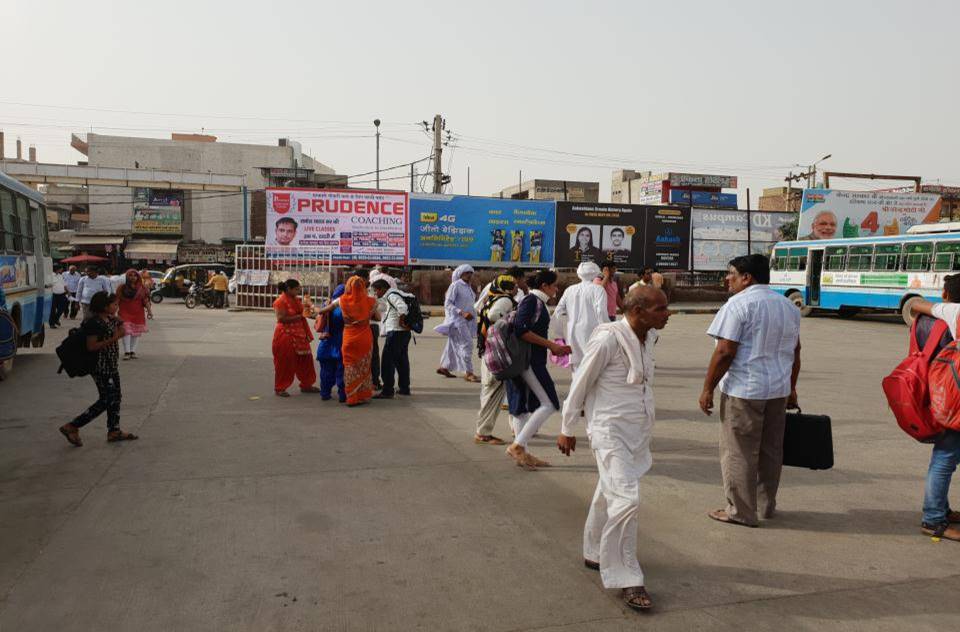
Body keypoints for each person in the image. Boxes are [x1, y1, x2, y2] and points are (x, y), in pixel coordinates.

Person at [557, 286, 671, 612]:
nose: (667, 314)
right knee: (627, 499)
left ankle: (594, 551)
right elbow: (581, 383)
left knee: (608, 492)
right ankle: (626, 576)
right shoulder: (607, 338)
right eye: (660, 309)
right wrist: (567, 428)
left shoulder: (648, 338)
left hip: (637, 430)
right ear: (637, 311)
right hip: (609, 431)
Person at [699, 254, 801, 528]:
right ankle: (766, 506)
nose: (727, 278)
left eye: (731, 273)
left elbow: (724, 351)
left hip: (745, 390)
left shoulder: (738, 305)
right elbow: (796, 350)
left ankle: (741, 511)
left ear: (747, 278)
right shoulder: (787, 306)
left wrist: (707, 388)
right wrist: (791, 387)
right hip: (777, 390)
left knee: (739, 451)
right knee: (770, 450)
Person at [909, 275, 960, 542]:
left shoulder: (953, 311)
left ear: (945, 295)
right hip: (955, 401)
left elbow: (916, 304)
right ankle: (933, 518)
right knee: (945, 457)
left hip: (947, 397)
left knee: (946, 457)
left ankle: (938, 511)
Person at [505, 270, 572, 469]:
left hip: (527, 360)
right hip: (529, 361)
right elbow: (521, 329)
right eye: (554, 285)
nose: (556, 289)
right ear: (544, 285)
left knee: (522, 408)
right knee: (550, 403)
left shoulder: (536, 301)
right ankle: (517, 446)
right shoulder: (532, 301)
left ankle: (523, 453)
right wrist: (551, 345)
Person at [58, 291, 139, 447]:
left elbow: (121, 328)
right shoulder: (94, 323)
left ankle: (114, 430)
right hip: (100, 367)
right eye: (114, 304)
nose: (117, 307)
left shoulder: (108, 318)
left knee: (116, 397)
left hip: (111, 365)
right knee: (106, 399)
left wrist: (118, 323)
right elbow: (92, 346)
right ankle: (73, 426)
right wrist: (115, 337)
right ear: (104, 306)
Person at [474, 275, 519, 445]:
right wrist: (507, 324)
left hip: (487, 349)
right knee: (493, 390)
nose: (516, 289)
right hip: (496, 351)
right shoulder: (505, 300)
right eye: (514, 286)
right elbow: (494, 315)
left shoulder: (491, 298)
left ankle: (483, 430)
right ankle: (483, 432)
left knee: (488, 390)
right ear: (507, 288)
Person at [553, 261, 608, 372]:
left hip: (572, 333)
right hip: (593, 332)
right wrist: (607, 330)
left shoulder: (570, 290)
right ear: (595, 273)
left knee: (576, 368)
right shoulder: (598, 290)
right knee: (593, 368)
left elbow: (557, 312)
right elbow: (601, 312)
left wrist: (559, 335)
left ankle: (576, 389)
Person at [336, 276, 379, 406]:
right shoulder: (371, 301)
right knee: (364, 367)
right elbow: (378, 317)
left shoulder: (342, 300)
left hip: (349, 337)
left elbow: (341, 316)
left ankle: (351, 397)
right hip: (364, 337)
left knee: (349, 367)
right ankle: (362, 395)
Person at [272, 279, 319, 397]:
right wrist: (300, 316)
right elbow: (281, 318)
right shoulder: (280, 301)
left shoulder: (296, 300)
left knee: (306, 360)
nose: (298, 291)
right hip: (286, 335)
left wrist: (310, 311)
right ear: (289, 289)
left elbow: (304, 313)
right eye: (296, 289)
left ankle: (307, 384)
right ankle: (280, 387)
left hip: (300, 335)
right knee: (285, 363)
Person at [436, 264, 480, 383]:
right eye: (467, 273)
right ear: (460, 274)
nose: (469, 275)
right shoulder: (455, 285)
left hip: (468, 321)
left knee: (452, 344)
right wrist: (461, 312)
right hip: (458, 321)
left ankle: (444, 367)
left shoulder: (469, 287)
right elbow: (448, 304)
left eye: (471, 273)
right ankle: (468, 372)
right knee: (468, 344)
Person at [372, 279, 412, 399]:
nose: (375, 294)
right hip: (403, 333)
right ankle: (404, 388)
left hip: (396, 332)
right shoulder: (397, 293)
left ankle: (388, 390)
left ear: (382, 289)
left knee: (387, 362)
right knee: (401, 361)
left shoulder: (391, 295)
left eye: (376, 291)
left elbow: (402, 308)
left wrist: (401, 321)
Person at [315, 285, 346, 403]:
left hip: (326, 342)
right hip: (341, 341)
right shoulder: (344, 306)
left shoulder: (326, 304)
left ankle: (325, 393)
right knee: (341, 370)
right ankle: (343, 395)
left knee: (326, 371)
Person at [117, 269, 153, 360]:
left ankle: (132, 351)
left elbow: (145, 301)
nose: (133, 277)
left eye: (135, 275)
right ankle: (127, 352)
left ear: (138, 277)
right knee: (126, 331)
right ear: (127, 277)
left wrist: (149, 311)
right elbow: (116, 300)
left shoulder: (142, 288)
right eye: (130, 275)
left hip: (138, 313)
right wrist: (111, 312)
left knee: (135, 333)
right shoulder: (121, 288)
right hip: (124, 312)